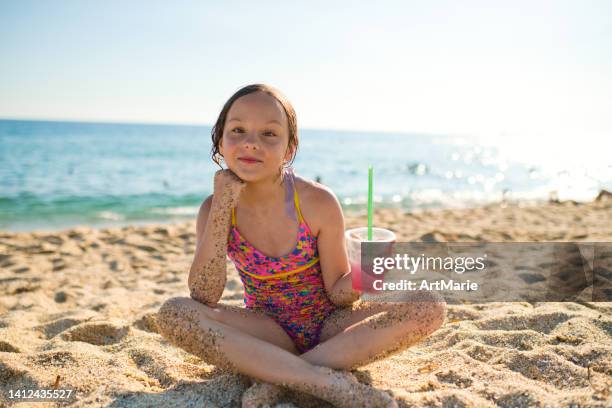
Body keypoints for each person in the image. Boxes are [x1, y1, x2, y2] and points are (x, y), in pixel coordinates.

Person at [156, 84, 447, 408]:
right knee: (174, 313)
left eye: (269, 134)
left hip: (331, 328)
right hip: (266, 331)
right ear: (221, 142)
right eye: (237, 130)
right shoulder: (214, 209)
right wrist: (224, 201)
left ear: (289, 149)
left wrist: (362, 275)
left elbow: (337, 293)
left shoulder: (317, 202)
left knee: (428, 304)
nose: (251, 142)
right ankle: (323, 381)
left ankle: (282, 376)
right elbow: (204, 294)